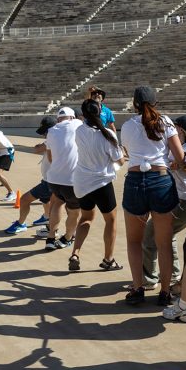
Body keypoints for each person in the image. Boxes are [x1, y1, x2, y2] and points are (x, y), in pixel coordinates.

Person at [120, 86, 184, 307]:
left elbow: (128, 151)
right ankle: (165, 292)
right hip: (161, 179)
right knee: (164, 242)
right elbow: (180, 155)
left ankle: (138, 288)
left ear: (135, 104)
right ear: (155, 102)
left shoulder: (128, 125)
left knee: (133, 241)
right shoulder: (166, 122)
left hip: (136, 180)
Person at [142, 114, 186, 290]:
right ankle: (173, 274)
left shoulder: (183, 151)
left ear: (179, 130)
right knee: (167, 235)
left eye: (173, 128)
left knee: (150, 236)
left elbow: (184, 163)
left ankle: (149, 278)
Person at [69, 99, 124, 272]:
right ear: (100, 112)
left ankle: (75, 253)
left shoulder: (78, 131)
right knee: (111, 220)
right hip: (101, 182)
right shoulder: (108, 134)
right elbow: (120, 161)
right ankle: (108, 259)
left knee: (85, 218)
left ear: (83, 115)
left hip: (81, 181)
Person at [5, 116, 55, 236]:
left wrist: (40, 145)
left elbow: (37, 149)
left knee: (24, 199)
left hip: (51, 181)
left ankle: (21, 224)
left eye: (45, 132)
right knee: (45, 200)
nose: (43, 135)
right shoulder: (55, 139)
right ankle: (47, 220)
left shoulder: (52, 139)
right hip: (49, 180)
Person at [44, 107, 83, 251]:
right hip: (71, 179)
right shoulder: (78, 124)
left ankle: (50, 237)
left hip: (54, 178)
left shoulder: (52, 131)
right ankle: (67, 237)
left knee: (57, 204)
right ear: (72, 117)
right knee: (74, 211)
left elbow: (50, 157)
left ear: (58, 119)